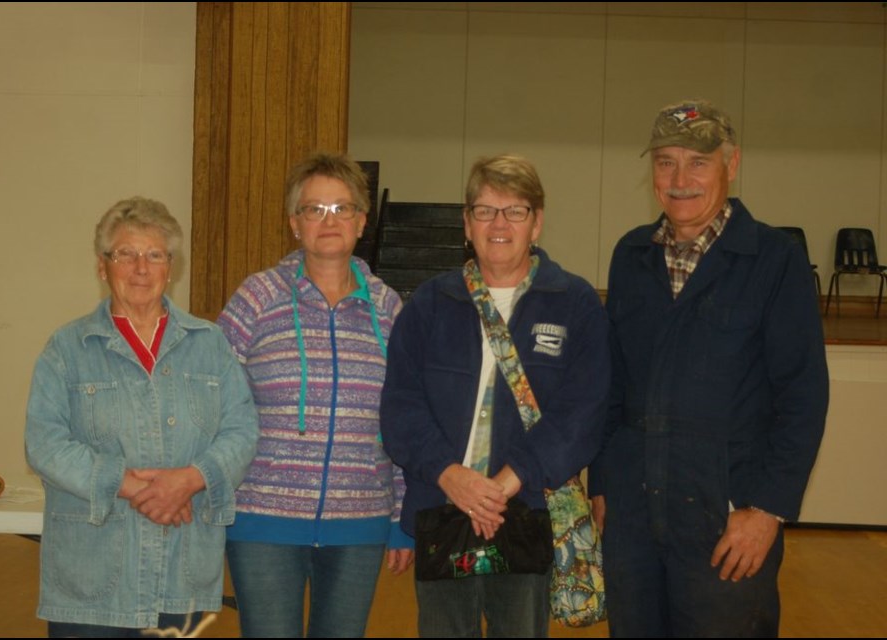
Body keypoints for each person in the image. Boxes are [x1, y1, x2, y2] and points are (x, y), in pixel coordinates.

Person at [588, 100, 829, 637]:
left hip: (727, 520)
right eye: (665, 162)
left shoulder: (774, 260)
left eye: (697, 162)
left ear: (731, 163)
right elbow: (613, 383)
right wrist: (603, 482)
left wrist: (767, 509)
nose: (679, 179)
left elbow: (803, 396)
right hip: (633, 513)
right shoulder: (631, 255)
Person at [380, 154, 610, 638]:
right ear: (467, 223)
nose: (499, 223)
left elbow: (582, 413)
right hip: (443, 510)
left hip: (527, 510)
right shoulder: (429, 304)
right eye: (485, 210)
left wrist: (506, 483)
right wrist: (451, 477)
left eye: (515, 210)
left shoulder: (575, 303)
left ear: (537, 223)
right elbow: (401, 408)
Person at [24, 196, 259, 637]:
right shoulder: (67, 349)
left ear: (171, 268)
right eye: (125, 255)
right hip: (91, 581)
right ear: (102, 266)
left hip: (181, 574)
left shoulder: (209, 344)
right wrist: (128, 484)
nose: (140, 269)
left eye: (155, 255)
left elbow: (241, 432)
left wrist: (189, 480)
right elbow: (44, 444)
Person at [217, 152, 412, 638]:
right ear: (294, 223)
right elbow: (215, 402)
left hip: (361, 522)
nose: (329, 220)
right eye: (314, 209)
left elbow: (407, 416)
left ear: (362, 221)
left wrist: (401, 517)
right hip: (262, 521)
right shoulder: (257, 297)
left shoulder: (390, 309)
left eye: (342, 208)